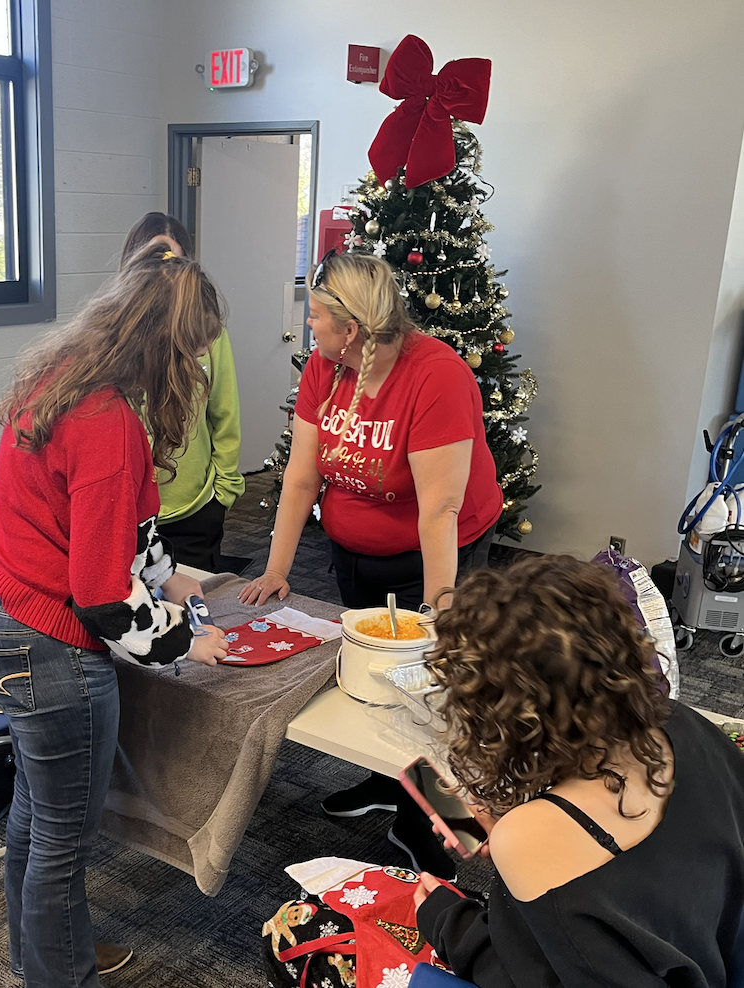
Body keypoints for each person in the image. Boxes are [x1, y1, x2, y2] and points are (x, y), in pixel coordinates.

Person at [0, 242, 230, 988]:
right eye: (193, 353)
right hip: (47, 646)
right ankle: (61, 973)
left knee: (36, 811)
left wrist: (175, 583)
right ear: (165, 349)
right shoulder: (108, 424)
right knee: (64, 839)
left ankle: (45, 952)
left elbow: (118, 531)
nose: (196, 368)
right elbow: (103, 595)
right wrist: (184, 641)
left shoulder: (60, 377)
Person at [238, 249, 502, 872]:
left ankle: (430, 825)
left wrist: (439, 610)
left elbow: (439, 510)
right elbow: (301, 478)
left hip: (437, 552)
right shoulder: (325, 369)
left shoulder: (436, 376)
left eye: (316, 316)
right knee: (371, 679)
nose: (308, 325)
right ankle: (388, 783)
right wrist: (276, 569)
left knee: (431, 690)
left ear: (351, 327)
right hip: (357, 551)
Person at [414, 554, 744, 987]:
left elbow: (541, 975)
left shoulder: (526, 836)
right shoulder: (686, 723)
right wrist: (529, 829)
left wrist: (447, 922)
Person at [120, 212, 244, 571]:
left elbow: (225, 413)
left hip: (195, 507)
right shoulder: (115, 341)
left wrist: (222, 493)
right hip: (130, 511)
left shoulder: (206, 328)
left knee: (199, 597)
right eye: (156, 260)